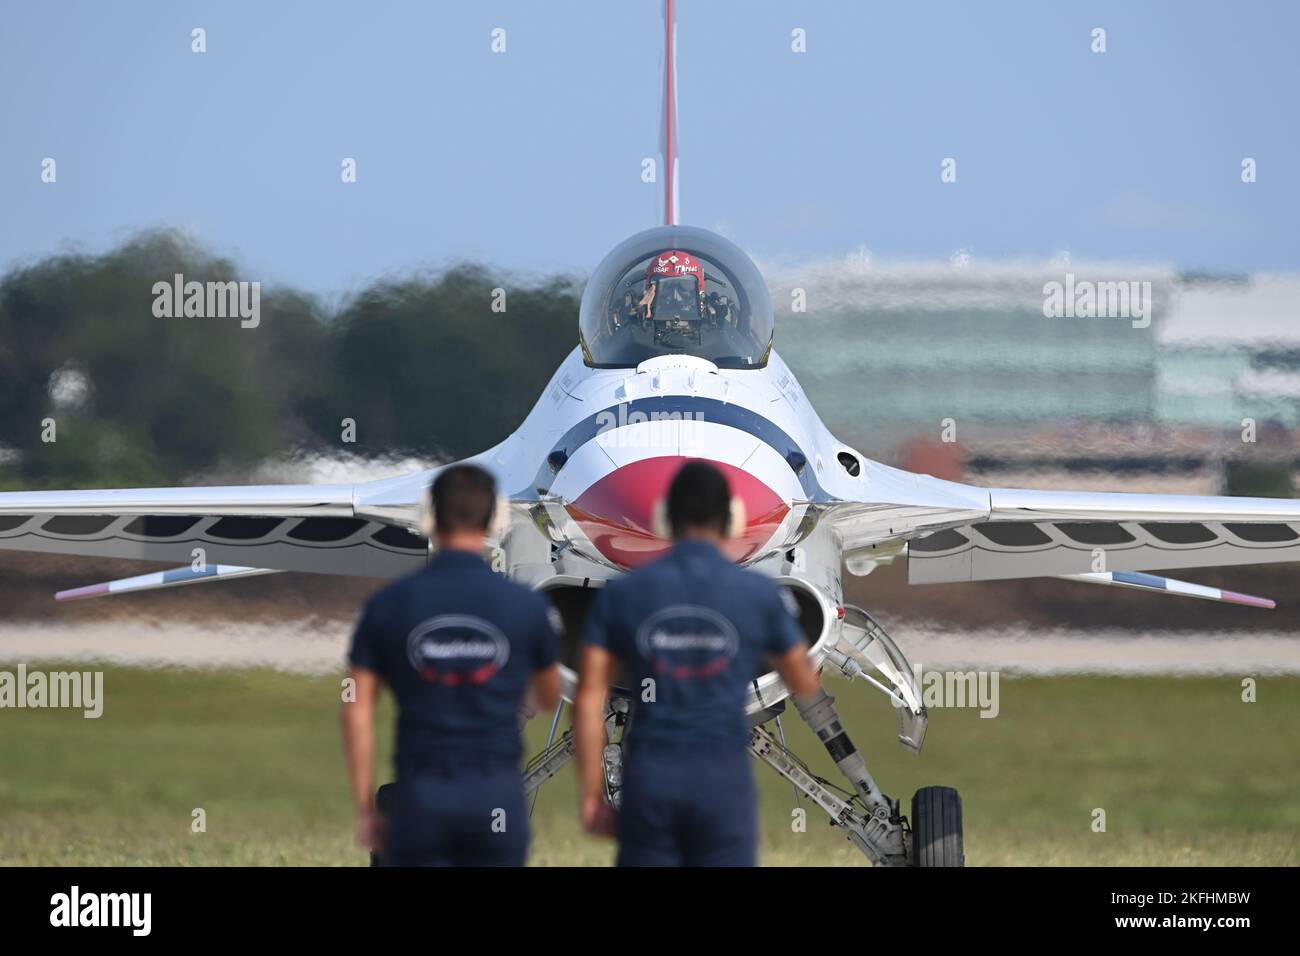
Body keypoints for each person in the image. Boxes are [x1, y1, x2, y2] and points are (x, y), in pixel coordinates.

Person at [574, 460, 822, 866]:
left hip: (651, 779)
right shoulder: (758, 595)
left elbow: (588, 702)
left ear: (665, 518)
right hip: (721, 781)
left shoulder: (622, 594)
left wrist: (590, 798)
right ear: (731, 519)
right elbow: (804, 681)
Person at [341, 464, 562, 866]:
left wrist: (365, 808)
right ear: (496, 519)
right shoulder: (528, 608)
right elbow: (549, 696)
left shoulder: (389, 606)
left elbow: (357, 710)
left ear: (429, 516)